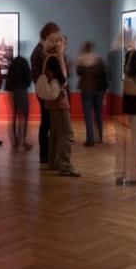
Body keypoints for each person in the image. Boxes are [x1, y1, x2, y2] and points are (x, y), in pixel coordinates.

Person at [42, 33, 80, 176]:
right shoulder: (54, 59)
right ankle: (65, 166)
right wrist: (61, 57)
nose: (65, 46)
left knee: (55, 133)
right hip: (59, 101)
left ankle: (54, 162)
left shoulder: (48, 58)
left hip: (53, 102)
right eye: (63, 43)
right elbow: (63, 79)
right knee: (67, 133)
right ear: (58, 44)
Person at [31, 22, 61, 163]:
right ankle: (45, 154)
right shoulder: (40, 52)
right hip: (46, 93)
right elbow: (41, 76)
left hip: (45, 91)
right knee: (47, 122)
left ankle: (47, 153)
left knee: (47, 122)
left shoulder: (40, 51)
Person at [117, 48, 136, 186]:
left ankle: (121, 174)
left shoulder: (127, 74)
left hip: (128, 107)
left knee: (126, 143)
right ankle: (132, 176)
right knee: (134, 143)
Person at [75, 41, 109, 146]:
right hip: (99, 90)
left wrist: (81, 54)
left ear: (85, 48)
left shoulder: (80, 60)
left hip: (86, 90)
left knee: (88, 116)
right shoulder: (99, 60)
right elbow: (105, 75)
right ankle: (100, 138)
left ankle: (90, 140)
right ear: (93, 48)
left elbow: (78, 72)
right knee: (99, 115)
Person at [5, 55, 33, 150]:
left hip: (13, 91)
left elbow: (9, 79)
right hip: (22, 91)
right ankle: (24, 141)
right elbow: (28, 79)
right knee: (24, 116)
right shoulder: (24, 62)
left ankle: (15, 140)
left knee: (15, 115)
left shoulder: (13, 64)